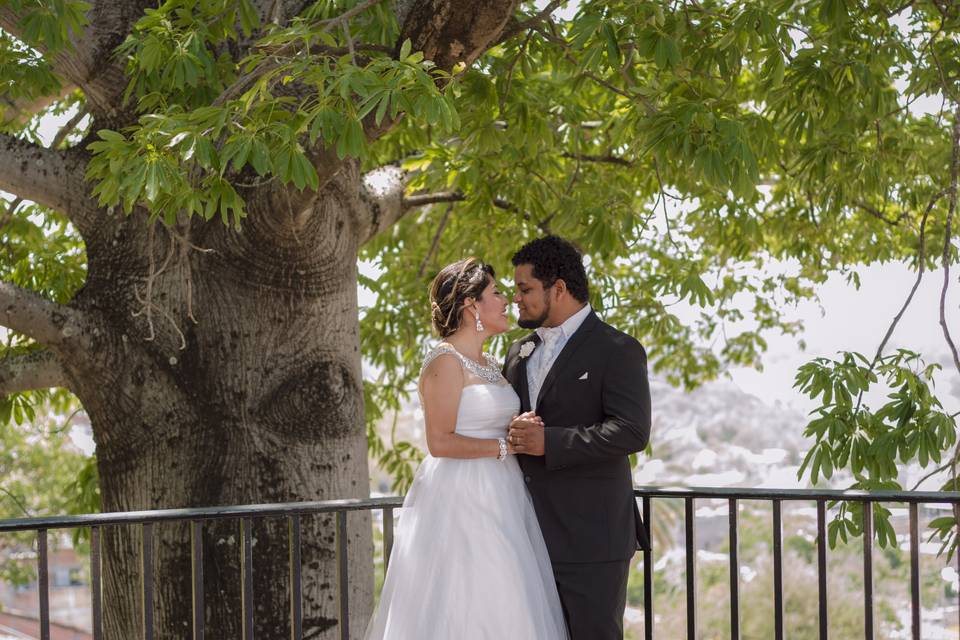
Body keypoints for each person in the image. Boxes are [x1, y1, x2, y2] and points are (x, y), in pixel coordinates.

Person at [364, 258, 568, 640]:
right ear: (472, 304)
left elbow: (490, 423)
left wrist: (520, 429)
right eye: (496, 292)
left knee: (511, 599)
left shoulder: (491, 362)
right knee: (467, 598)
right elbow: (439, 441)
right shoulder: (445, 361)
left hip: (503, 494)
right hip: (461, 497)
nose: (507, 300)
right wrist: (506, 445)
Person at [503, 235, 652, 640]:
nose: (516, 298)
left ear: (560, 289)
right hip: (526, 536)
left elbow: (632, 430)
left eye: (525, 288)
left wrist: (549, 442)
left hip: (591, 539)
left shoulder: (617, 349)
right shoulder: (518, 351)